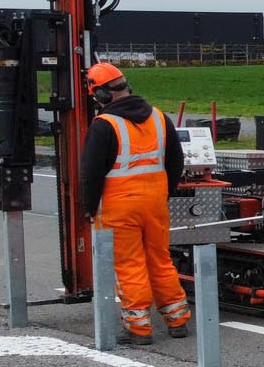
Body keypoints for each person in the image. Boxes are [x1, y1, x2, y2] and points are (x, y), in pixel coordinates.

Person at [77, 63, 189, 346]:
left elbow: (90, 173)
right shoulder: (159, 118)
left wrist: (88, 207)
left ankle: (139, 328)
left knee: (129, 265)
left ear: (101, 95)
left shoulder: (104, 125)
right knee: (160, 259)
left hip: (118, 205)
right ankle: (177, 320)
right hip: (155, 203)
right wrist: (162, 192)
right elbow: (176, 163)